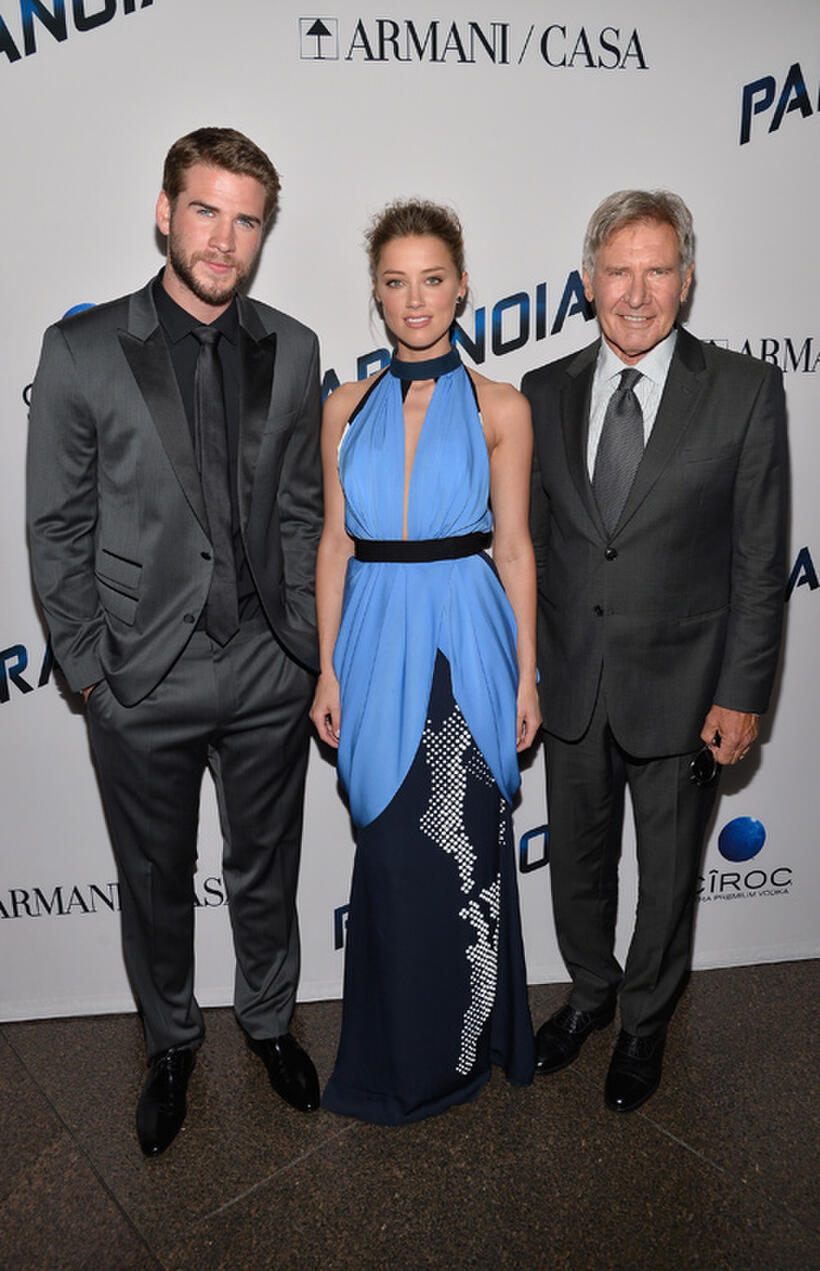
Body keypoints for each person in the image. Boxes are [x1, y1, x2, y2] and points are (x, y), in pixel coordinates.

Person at [27, 127, 323, 1156]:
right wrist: (87, 670)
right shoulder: (81, 349)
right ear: (165, 211)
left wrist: (306, 647)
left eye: (245, 218)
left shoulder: (293, 345)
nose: (223, 236)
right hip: (139, 674)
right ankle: (169, 1042)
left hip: (267, 667)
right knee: (154, 875)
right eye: (206, 210)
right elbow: (56, 523)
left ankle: (272, 1020)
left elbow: (298, 510)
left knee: (266, 864)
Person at [522, 189, 788, 1112]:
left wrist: (743, 689)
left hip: (686, 689)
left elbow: (761, 561)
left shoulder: (747, 391)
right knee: (577, 867)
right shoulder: (544, 392)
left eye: (658, 270)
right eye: (619, 270)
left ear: (687, 278)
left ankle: (643, 1021)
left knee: (669, 875)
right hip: (571, 685)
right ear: (588, 280)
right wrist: (523, 672)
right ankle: (589, 993)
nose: (637, 293)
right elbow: (533, 549)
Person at [310, 200, 539, 1124]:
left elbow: (516, 547)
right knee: (397, 858)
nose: (416, 299)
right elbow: (333, 545)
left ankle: (468, 1044)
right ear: (376, 291)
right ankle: (395, 1052)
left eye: (433, 279)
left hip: (467, 639)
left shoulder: (501, 406)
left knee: (464, 851)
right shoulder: (342, 407)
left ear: (462, 287)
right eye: (397, 282)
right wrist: (326, 669)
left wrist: (524, 674)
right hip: (370, 638)